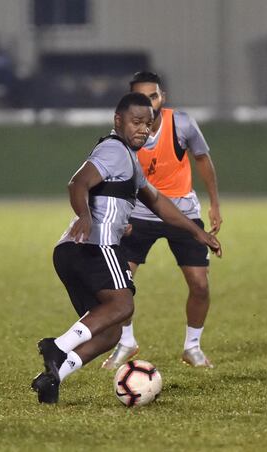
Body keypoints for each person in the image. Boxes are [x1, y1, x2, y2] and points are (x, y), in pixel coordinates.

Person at [30, 92, 222, 404]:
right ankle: (59, 346)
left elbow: (157, 202)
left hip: (74, 251)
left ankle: (53, 377)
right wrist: (85, 215)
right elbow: (77, 183)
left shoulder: (129, 160)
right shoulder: (114, 149)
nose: (144, 129)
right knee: (123, 306)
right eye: (136, 122)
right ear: (118, 121)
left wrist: (194, 231)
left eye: (149, 123)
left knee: (111, 332)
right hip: (95, 246)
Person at [101, 71, 222, 370]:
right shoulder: (124, 132)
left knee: (200, 284)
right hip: (139, 214)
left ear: (162, 97)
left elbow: (203, 159)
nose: (149, 105)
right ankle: (126, 341)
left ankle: (192, 347)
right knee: (121, 285)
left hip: (182, 213)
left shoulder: (181, 123)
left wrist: (215, 205)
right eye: (142, 98)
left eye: (153, 97)